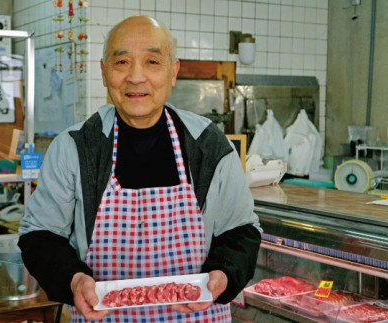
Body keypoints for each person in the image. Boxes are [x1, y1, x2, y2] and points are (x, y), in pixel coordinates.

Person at [18, 15, 262, 322]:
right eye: (121, 62)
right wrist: (74, 280)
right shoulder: (76, 147)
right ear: (104, 72)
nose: (135, 77)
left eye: (152, 62)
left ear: (173, 71)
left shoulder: (207, 145)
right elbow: (40, 236)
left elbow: (241, 231)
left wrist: (223, 276)